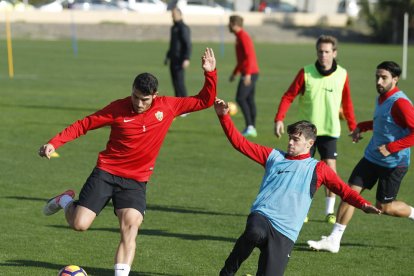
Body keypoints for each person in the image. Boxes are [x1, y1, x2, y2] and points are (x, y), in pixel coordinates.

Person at [38, 48, 216, 276]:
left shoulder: (168, 106)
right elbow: (84, 124)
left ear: (155, 95)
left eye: (144, 99)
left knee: (131, 226)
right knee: (80, 224)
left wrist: (210, 74)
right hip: (106, 172)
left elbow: (204, 100)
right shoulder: (117, 108)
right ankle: (65, 201)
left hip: (136, 180)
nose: (138, 103)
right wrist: (55, 143)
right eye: (135, 97)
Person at [214, 98, 381, 276]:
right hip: (263, 217)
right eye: (290, 139)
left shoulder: (319, 169)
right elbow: (240, 143)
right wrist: (223, 117)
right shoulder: (274, 156)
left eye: (295, 139)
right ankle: (227, 271)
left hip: (286, 232)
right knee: (254, 232)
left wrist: (363, 204)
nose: (290, 143)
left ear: (310, 144)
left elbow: (344, 190)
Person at [307, 61, 414, 253]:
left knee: (385, 207)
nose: (379, 81)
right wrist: (362, 127)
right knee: (349, 194)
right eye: (377, 77)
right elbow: (384, 122)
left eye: (384, 78)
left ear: (395, 79)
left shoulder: (401, 103)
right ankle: (334, 240)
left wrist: (392, 147)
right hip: (372, 157)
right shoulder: (381, 97)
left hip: (394, 164)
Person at [274, 35, 357, 224]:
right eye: (320, 51)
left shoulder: (342, 74)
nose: (323, 55)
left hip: (329, 130)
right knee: (302, 171)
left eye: (327, 51)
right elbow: (288, 96)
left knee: (330, 170)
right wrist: (279, 118)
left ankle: (329, 211)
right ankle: (300, 210)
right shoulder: (306, 73)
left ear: (334, 53)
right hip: (306, 133)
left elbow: (347, 102)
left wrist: (353, 127)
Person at [228, 15, 260, 137]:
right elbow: (241, 60)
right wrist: (234, 73)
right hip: (249, 72)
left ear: (234, 24)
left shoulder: (243, 37)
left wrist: (247, 74)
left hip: (250, 73)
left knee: (240, 98)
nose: (228, 26)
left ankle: (250, 127)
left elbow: (249, 56)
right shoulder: (238, 37)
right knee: (249, 100)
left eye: (229, 23)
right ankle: (252, 128)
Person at [165, 7, 191, 100]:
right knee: (175, 83)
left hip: (180, 60)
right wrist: (167, 56)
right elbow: (173, 44)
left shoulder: (183, 28)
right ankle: (178, 105)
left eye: (174, 14)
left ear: (180, 15)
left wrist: (186, 58)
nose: (172, 16)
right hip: (173, 59)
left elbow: (187, 44)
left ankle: (186, 107)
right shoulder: (173, 28)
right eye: (172, 15)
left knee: (180, 83)